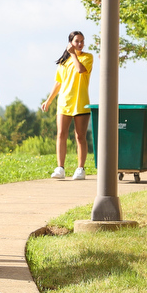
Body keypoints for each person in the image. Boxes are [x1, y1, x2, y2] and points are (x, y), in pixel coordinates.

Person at [40, 31, 93, 181]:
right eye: (77, 41)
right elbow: (58, 82)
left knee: (80, 136)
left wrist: (74, 55)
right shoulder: (63, 62)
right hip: (64, 102)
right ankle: (60, 168)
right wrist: (49, 100)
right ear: (70, 42)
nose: (80, 44)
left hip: (81, 102)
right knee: (61, 134)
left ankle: (80, 168)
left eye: (82, 41)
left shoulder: (87, 58)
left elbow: (80, 70)